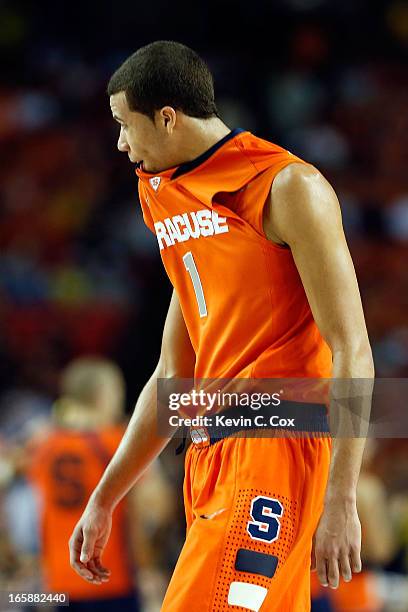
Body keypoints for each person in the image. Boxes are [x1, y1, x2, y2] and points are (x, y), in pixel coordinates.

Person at [69, 41, 374, 611]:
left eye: (124, 125)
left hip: (275, 449)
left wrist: (343, 496)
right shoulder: (165, 197)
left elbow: (353, 348)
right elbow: (171, 377)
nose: (120, 143)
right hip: (208, 456)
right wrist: (105, 499)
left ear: (167, 118)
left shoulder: (288, 188)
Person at [28, 357, 172, 611]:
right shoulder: (116, 443)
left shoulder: (42, 445)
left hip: (59, 581)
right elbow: (149, 510)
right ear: (103, 395)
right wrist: (147, 567)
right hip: (110, 578)